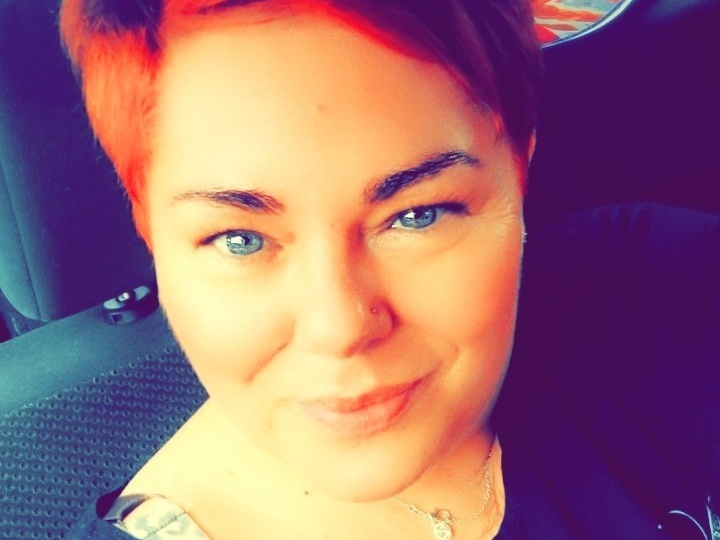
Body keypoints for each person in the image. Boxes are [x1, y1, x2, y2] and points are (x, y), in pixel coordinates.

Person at [58, 0, 719, 538]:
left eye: (417, 216)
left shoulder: (652, 289)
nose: (339, 327)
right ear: (151, 234)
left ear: (518, 172)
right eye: (240, 240)